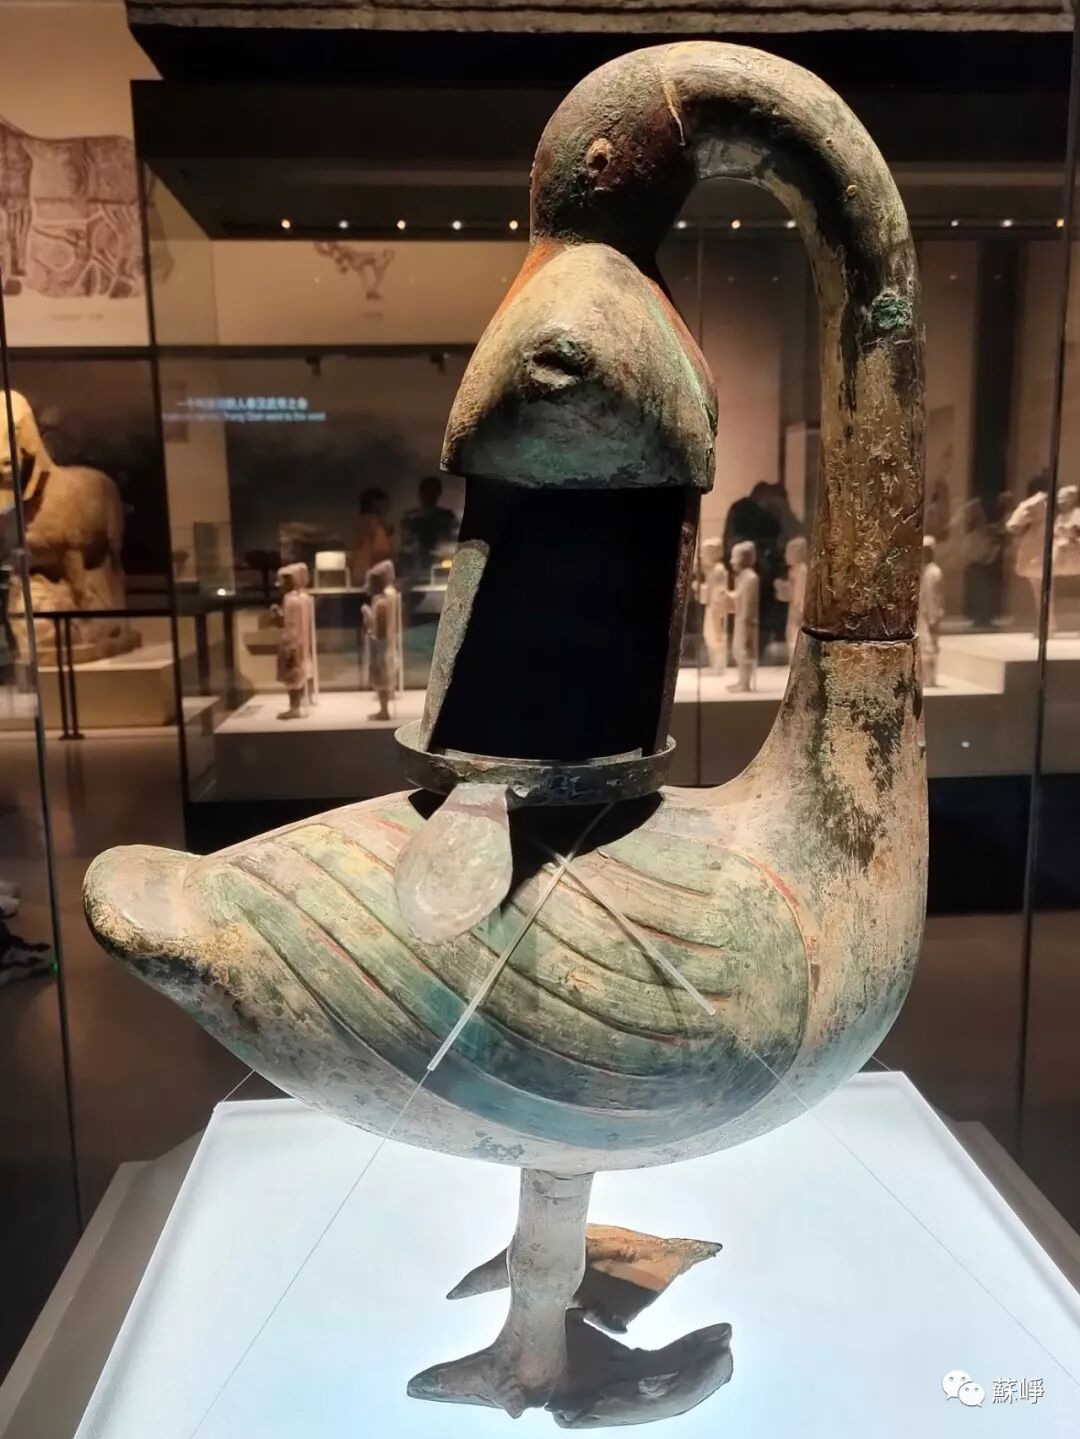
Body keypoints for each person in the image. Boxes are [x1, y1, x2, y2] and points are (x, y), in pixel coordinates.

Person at [399, 475, 459, 579]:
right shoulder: (411, 517)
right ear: (421, 493)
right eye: (428, 491)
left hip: (441, 562)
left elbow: (451, 539)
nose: (430, 495)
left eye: (433, 491)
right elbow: (406, 542)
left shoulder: (446, 516)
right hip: (417, 564)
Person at [352, 487, 393, 586]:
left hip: (361, 578)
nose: (388, 507)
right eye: (385, 504)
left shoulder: (360, 524)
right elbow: (383, 552)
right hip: (373, 580)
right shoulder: (373, 524)